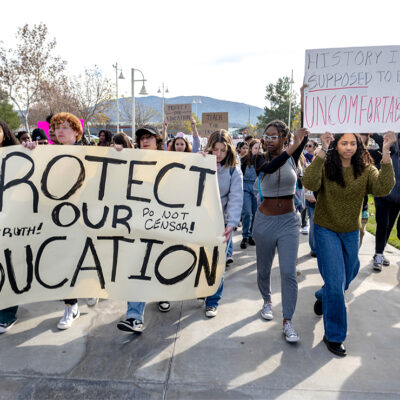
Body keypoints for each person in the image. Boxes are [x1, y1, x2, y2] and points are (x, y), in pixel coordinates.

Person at [302, 131, 396, 357]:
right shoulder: (326, 164)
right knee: (336, 283)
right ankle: (334, 335)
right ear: (336, 143)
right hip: (326, 229)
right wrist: (322, 152)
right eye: (344, 143)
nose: (348, 147)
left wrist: (385, 152)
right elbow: (308, 181)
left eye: (353, 143)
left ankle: (324, 296)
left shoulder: (365, 168)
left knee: (350, 272)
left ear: (359, 145)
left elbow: (384, 188)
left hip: (351, 231)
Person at [22, 112, 99, 330]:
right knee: (61, 260)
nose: (60, 131)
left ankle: (89, 287)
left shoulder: (91, 153)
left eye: (66, 127)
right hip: (56, 217)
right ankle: (71, 305)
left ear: (76, 131)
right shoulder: (44, 153)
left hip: (85, 217)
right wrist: (28, 153)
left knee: (83, 257)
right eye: (56, 127)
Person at [252, 120, 309, 343]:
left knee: (288, 271)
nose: (268, 139)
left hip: (288, 222)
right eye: (266, 135)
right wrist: (292, 145)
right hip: (264, 221)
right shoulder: (257, 157)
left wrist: (306, 94)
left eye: (274, 136)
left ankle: (288, 321)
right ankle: (267, 300)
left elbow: (303, 134)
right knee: (264, 268)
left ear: (284, 137)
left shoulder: (294, 156)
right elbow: (271, 167)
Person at [117, 125, 171, 333]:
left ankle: (165, 293)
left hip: (164, 223)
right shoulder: (131, 162)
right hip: (136, 224)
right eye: (141, 139)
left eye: (149, 138)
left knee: (161, 264)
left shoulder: (172, 163)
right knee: (136, 269)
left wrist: (202, 158)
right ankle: (134, 316)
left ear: (157, 141)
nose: (145, 141)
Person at [201, 129, 243, 317]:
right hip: (199, 222)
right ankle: (201, 290)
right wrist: (197, 160)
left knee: (217, 264)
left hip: (222, 223)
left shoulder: (234, 168)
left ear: (229, 151)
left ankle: (212, 301)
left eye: (222, 151)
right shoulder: (199, 160)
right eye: (214, 149)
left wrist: (231, 223)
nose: (218, 154)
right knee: (199, 260)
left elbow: (236, 197)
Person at [369, 133, 400, 270]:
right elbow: (383, 143)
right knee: (383, 224)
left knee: (390, 225)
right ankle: (379, 254)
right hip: (383, 195)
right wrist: (372, 133)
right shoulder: (390, 148)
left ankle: (379, 251)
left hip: (397, 198)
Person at [0, 119, 20, 333]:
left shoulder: (17, 156)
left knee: (6, 265)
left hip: (9, 220)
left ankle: (7, 313)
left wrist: (31, 149)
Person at [240, 139, 261, 249]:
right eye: (255, 148)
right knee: (247, 212)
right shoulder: (243, 160)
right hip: (245, 188)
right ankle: (245, 236)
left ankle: (252, 235)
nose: (257, 150)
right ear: (251, 149)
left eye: (259, 148)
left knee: (255, 213)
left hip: (257, 188)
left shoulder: (262, 160)